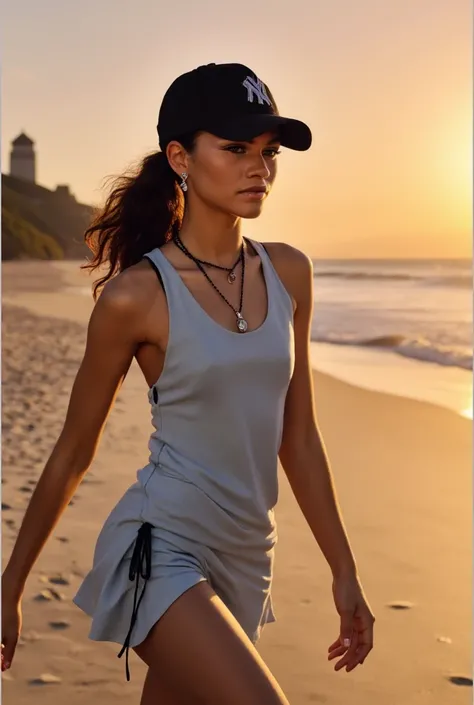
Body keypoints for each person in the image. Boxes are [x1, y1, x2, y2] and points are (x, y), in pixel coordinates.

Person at [1, 62, 375, 704]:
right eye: (235, 148)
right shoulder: (135, 297)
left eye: (268, 152)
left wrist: (345, 572)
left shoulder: (290, 272)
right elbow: (73, 448)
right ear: (180, 156)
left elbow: (300, 437)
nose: (259, 166)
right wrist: (9, 590)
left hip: (247, 556)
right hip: (159, 546)